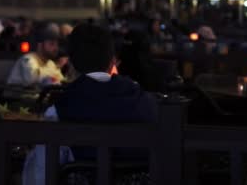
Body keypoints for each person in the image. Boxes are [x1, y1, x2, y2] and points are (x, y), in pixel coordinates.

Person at [22, 24, 158, 185]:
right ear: (112, 61)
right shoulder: (148, 103)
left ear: (71, 63)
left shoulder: (61, 109)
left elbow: (40, 176)